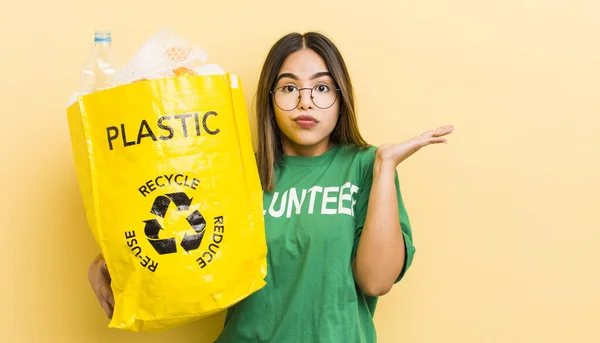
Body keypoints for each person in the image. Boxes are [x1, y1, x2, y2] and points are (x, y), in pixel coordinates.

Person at [88, 31, 454, 342]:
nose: (304, 101)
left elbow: (375, 282)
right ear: (270, 99)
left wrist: (385, 168)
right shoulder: (234, 169)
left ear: (341, 98)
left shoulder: (365, 166)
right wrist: (111, 262)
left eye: (322, 87)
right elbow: (184, 245)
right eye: (288, 88)